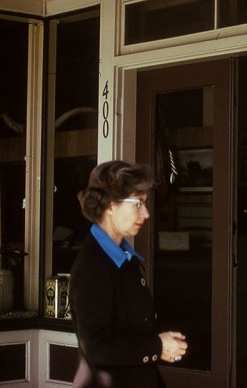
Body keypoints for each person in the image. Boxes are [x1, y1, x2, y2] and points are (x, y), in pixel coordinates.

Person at [70, 160, 187, 388]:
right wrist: (158, 347)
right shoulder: (92, 267)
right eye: (138, 203)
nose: (146, 213)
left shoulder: (123, 257)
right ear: (110, 205)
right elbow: (97, 346)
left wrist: (162, 344)